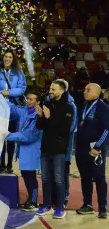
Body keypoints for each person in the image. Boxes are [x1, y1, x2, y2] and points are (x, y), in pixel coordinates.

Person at [35, 80, 74, 219]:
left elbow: (63, 130)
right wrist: (40, 116)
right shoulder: (46, 104)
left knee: (58, 179)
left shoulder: (68, 108)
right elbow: (40, 127)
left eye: (53, 89)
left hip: (59, 149)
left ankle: (60, 207)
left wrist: (48, 117)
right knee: (45, 178)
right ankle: (47, 205)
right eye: (50, 88)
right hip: (45, 147)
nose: (50, 91)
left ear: (62, 91)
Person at [75, 83, 109, 219]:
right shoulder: (83, 106)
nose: (85, 92)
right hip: (81, 148)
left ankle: (102, 207)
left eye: (88, 90)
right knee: (85, 178)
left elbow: (107, 130)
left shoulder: (103, 108)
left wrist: (98, 147)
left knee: (99, 178)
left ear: (97, 93)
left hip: (95, 149)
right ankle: (87, 204)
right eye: (85, 89)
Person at [6, 92, 43, 211]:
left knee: (30, 177)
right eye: (27, 98)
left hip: (32, 150)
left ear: (38, 102)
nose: (28, 101)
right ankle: (31, 200)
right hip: (24, 150)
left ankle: (33, 201)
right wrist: (3, 97)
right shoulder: (24, 111)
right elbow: (12, 108)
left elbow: (28, 137)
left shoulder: (38, 117)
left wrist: (7, 135)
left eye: (32, 99)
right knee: (26, 176)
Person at [0, 50, 27, 174]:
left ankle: (9, 165)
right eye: (5, 56)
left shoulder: (18, 72)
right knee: (0, 138)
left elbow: (22, 88)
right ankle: (1, 164)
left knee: (10, 137)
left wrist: (9, 92)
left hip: (13, 109)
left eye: (10, 57)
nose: (7, 59)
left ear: (13, 59)